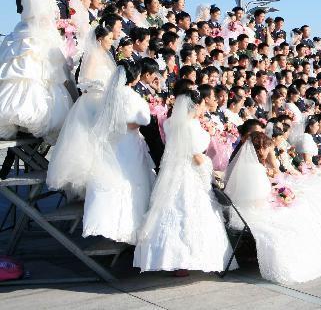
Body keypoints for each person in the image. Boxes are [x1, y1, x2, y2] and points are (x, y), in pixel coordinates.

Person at [133, 91, 236, 274]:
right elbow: (197, 157)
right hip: (191, 173)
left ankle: (171, 260)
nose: (204, 108)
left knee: (171, 210)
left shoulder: (170, 123)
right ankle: (188, 259)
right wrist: (210, 168)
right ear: (195, 106)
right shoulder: (192, 126)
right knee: (190, 211)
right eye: (203, 104)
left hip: (173, 172)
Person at [224, 132, 321, 286]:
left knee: (293, 214)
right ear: (261, 148)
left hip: (242, 211)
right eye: (267, 148)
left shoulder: (243, 165)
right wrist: (277, 198)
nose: (269, 151)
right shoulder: (255, 169)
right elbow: (258, 202)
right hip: (252, 214)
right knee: (293, 221)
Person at [82, 61, 156, 244]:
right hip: (129, 141)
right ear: (135, 77)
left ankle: (110, 225)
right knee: (133, 180)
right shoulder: (132, 96)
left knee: (114, 179)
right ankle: (131, 227)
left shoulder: (110, 94)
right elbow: (144, 119)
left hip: (113, 142)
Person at [0, 0, 73, 141]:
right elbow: (37, 17)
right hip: (34, 36)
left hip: (44, 35)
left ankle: (32, 119)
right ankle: (22, 117)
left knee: (45, 77)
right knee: (28, 73)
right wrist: (57, 24)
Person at [46, 25, 116, 197]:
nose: (111, 42)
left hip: (104, 100)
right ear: (100, 40)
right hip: (93, 100)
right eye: (109, 39)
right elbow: (86, 79)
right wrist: (100, 87)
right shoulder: (92, 57)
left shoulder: (107, 56)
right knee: (89, 141)